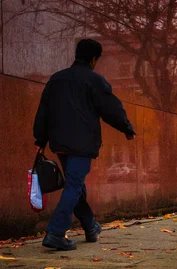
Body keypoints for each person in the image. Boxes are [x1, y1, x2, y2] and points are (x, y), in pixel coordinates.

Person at [34, 39, 136, 251]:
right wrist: (126, 128)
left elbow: (44, 111)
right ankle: (55, 232)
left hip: (59, 142)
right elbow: (111, 108)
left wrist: (40, 140)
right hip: (81, 143)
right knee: (74, 185)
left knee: (75, 185)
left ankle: (90, 227)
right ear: (93, 59)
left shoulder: (56, 79)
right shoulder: (94, 80)